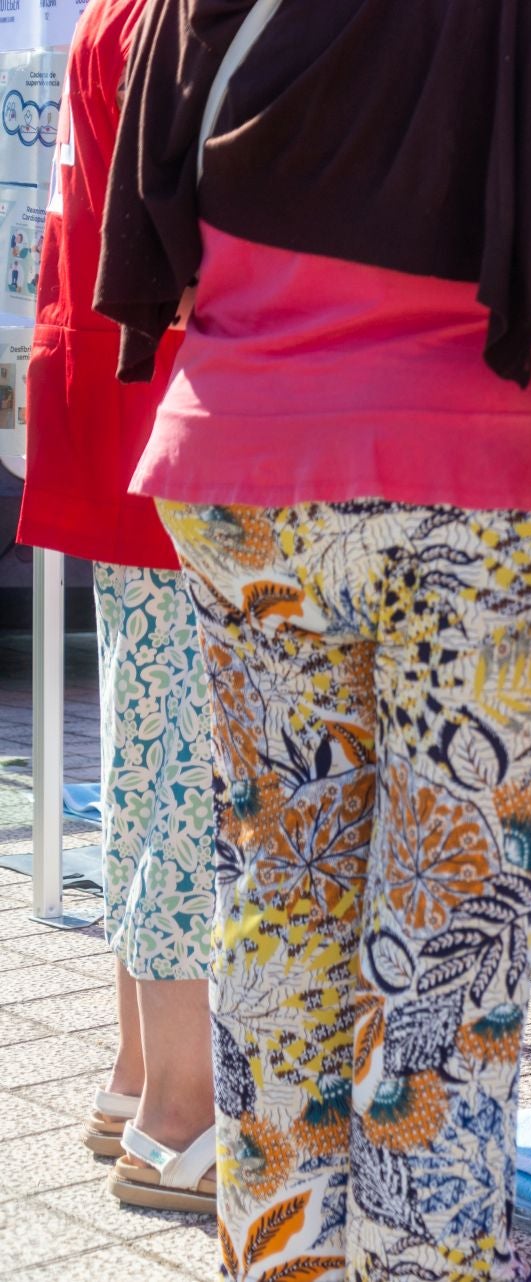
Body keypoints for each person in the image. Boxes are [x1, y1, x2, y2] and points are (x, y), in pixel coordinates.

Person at [96, 0, 531, 1275]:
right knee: (447, 970)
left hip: (248, 481)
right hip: (493, 497)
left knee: (283, 912)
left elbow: (173, 253)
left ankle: (286, 1258)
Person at [16, 0, 217, 1213]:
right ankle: (180, 1115)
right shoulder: (179, 11)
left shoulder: (110, 12)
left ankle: (142, 1083)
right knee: (183, 776)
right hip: (184, 433)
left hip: (114, 415)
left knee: (149, 765)